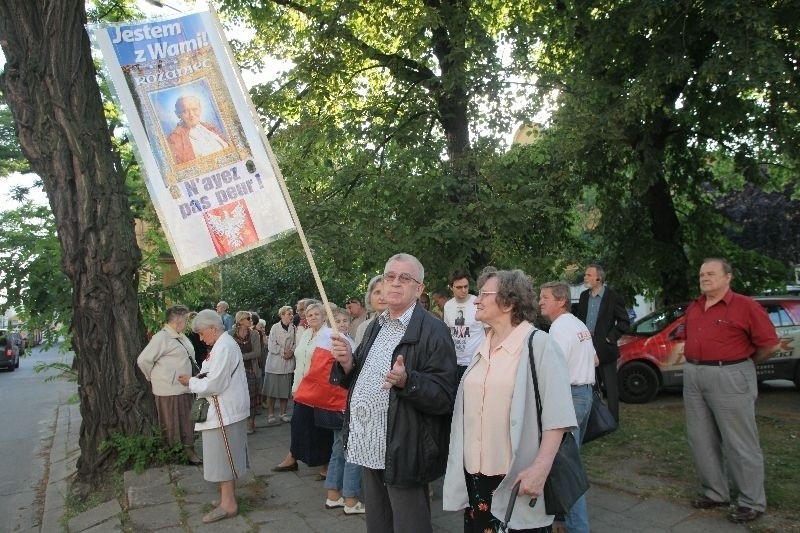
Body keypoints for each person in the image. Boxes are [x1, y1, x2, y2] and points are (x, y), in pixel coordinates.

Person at [330, 253, 458, 533]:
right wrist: (347, 363)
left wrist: (407, 381)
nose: (395, 283)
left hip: (405, 445)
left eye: (405, 278)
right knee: (378, 521)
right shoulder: (376, 324)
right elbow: (360, 375)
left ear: (419, 288)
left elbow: (445, 397)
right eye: (390, 276)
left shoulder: (434, 330)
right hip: (368, 441)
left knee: (408, 522)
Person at [443, 268, 576, 533]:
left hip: (516, 479)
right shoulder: (484, 345)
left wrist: (541, 468)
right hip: (477, 478)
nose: (476, 300)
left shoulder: (538, 344)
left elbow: (558, 416)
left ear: (509, 302)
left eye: (484, 294)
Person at [682, 258, 779, 524]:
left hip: (730, 374)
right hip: (694, 375)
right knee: (700, 438)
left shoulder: (745, 306)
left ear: (728, 277)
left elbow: (770, 345)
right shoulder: (695, 306)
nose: (705, 278)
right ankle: (715, 492)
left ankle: (751, 501)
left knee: (739, 441)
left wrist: (742, 364)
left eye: (711, 273)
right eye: (702, 274)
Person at [177, 309, 249, 524]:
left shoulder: (224, 346)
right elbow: (212, 374)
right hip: (221, 410)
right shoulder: (220, 345)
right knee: (222, 456)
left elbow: (215, 383)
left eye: (201, 333)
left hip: (224, 410)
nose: (200, 337)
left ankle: (229, 504)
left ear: (212, 328)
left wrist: (190, 382)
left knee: (223, 457)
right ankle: (226, 499)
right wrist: (195, 378)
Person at [539, 281, 596, 533]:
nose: (540, 301)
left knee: (565, 470)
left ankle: (578, 528)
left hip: (570, 397)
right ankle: (561, 521)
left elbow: (554, 369)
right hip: (584, 394)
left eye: (545, 297)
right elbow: (594, 358)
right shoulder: (578, 324)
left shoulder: (559, 328)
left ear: (561, 301)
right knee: (569, 463)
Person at [136, 305, 201, 465]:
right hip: (168, 389)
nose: (187, 323)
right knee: (171, 422)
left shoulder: (181, 336)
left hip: (185, 386)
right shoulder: (161, 338)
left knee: (187, 421)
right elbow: (143, 360)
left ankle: (188, 450)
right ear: (178, 320)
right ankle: (176, 454)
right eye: (186, 319)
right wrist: (153, 377)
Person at [272, 301, 330, 474]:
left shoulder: (329, 335)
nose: (312, 317)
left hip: (320, 390)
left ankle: (327, 463)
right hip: (302, 388)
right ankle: (293, 457)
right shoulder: (305, 334)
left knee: (321, 426)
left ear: (324, 316)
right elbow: (300, 361)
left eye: (316, 314)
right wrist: (295, 386)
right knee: (298, 423)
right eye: (309, 315)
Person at [318, 308, 365, 514]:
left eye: (345, 320)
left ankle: (333, 494)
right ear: (330, 322)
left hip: (334, 404)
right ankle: (351, 498)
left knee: (338, 448)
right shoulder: (336, 341)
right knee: (352, 449)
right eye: (337, 320)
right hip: (344, 402)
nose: (343, 323)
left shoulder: (329, 339)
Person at [575, 263, 629, 422]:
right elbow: (580, 319)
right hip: (586, 347)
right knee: (590, 386)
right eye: (585, 275)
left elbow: (624, 322)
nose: (585, 277)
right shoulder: (584, 296)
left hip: (605, 349)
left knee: (611, 388)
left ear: (599, 278)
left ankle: (613, 421)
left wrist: (610, 337)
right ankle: (595, 420)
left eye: (588, 275)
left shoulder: (613, 297)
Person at [443, 269, 487, 382]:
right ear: (451, 287)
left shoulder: (478, 303)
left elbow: (489, 332)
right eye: (459, 287)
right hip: (454, 362)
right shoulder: (448, 306)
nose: (463, 290)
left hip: (475, 361)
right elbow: (448, 332)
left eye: (466, 286)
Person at [167, 95, 230, 164]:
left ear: (200, 109)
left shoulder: (210, 128)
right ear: (178, 114)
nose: (191, 115)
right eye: (185, 111)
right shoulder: (174, 138)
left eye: (194, 109)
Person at [263, 306, 296, 425]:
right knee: (272, 392)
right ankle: (271, 414)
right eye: (288, 314)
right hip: (274, 364)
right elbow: (271, 345)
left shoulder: (294, 328)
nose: (291, 316)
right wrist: (283, 351)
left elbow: (296, 343)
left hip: (287, 364)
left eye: (292, 314)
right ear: (282, 315)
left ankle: (283, 413)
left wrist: (291, 351)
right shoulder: (275, 327)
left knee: (285, 391)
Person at [230, 311, 262, 434]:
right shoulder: (230, 334)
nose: (251, 320)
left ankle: (251, 422)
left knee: (251, 397)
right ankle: (239, 422)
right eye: (248, 318)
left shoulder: (254, 334)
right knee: (238, 397)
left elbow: (257, 352)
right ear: (241, 320)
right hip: (235, 371)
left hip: (250, 370)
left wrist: (240, 356)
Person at [354, 275, 387, 346]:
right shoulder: (363, 328)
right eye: (377, 292)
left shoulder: (403, 325)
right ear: (369, 297)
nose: (382, 297)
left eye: (386, 292)